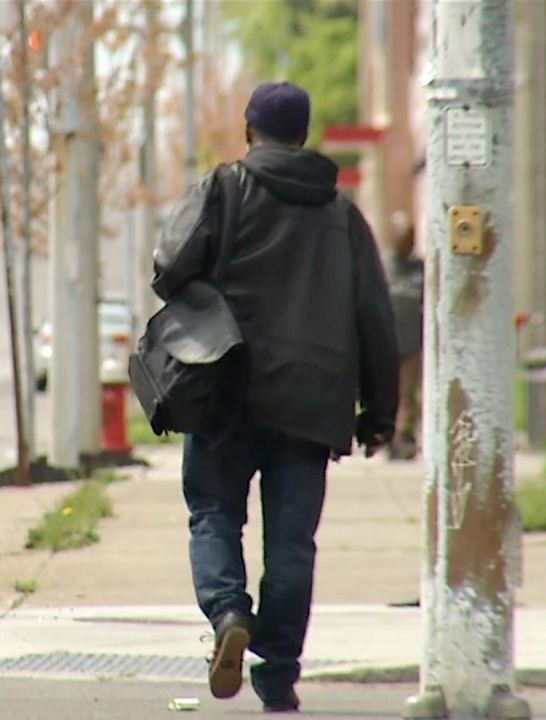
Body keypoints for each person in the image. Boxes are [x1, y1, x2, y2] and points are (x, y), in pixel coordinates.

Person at [151, 81, 398, 713]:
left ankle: (229, 612)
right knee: (291, 544)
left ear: (249, 130)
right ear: (304, 135)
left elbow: (168, 267)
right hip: (313, 401)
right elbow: (375, 316)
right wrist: (380, 412)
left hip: (226, 389)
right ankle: (279, 673)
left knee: (213, 512)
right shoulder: (342, 214)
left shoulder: (222, 189)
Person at [386, 215, 424, 460]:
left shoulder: (421, 269)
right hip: (387, 342)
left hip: (412, 340)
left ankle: (405, 436)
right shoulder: (384, 266)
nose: (405, 243)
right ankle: (391, 437)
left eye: (409, 238)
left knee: (408, 393)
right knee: (390, 392)